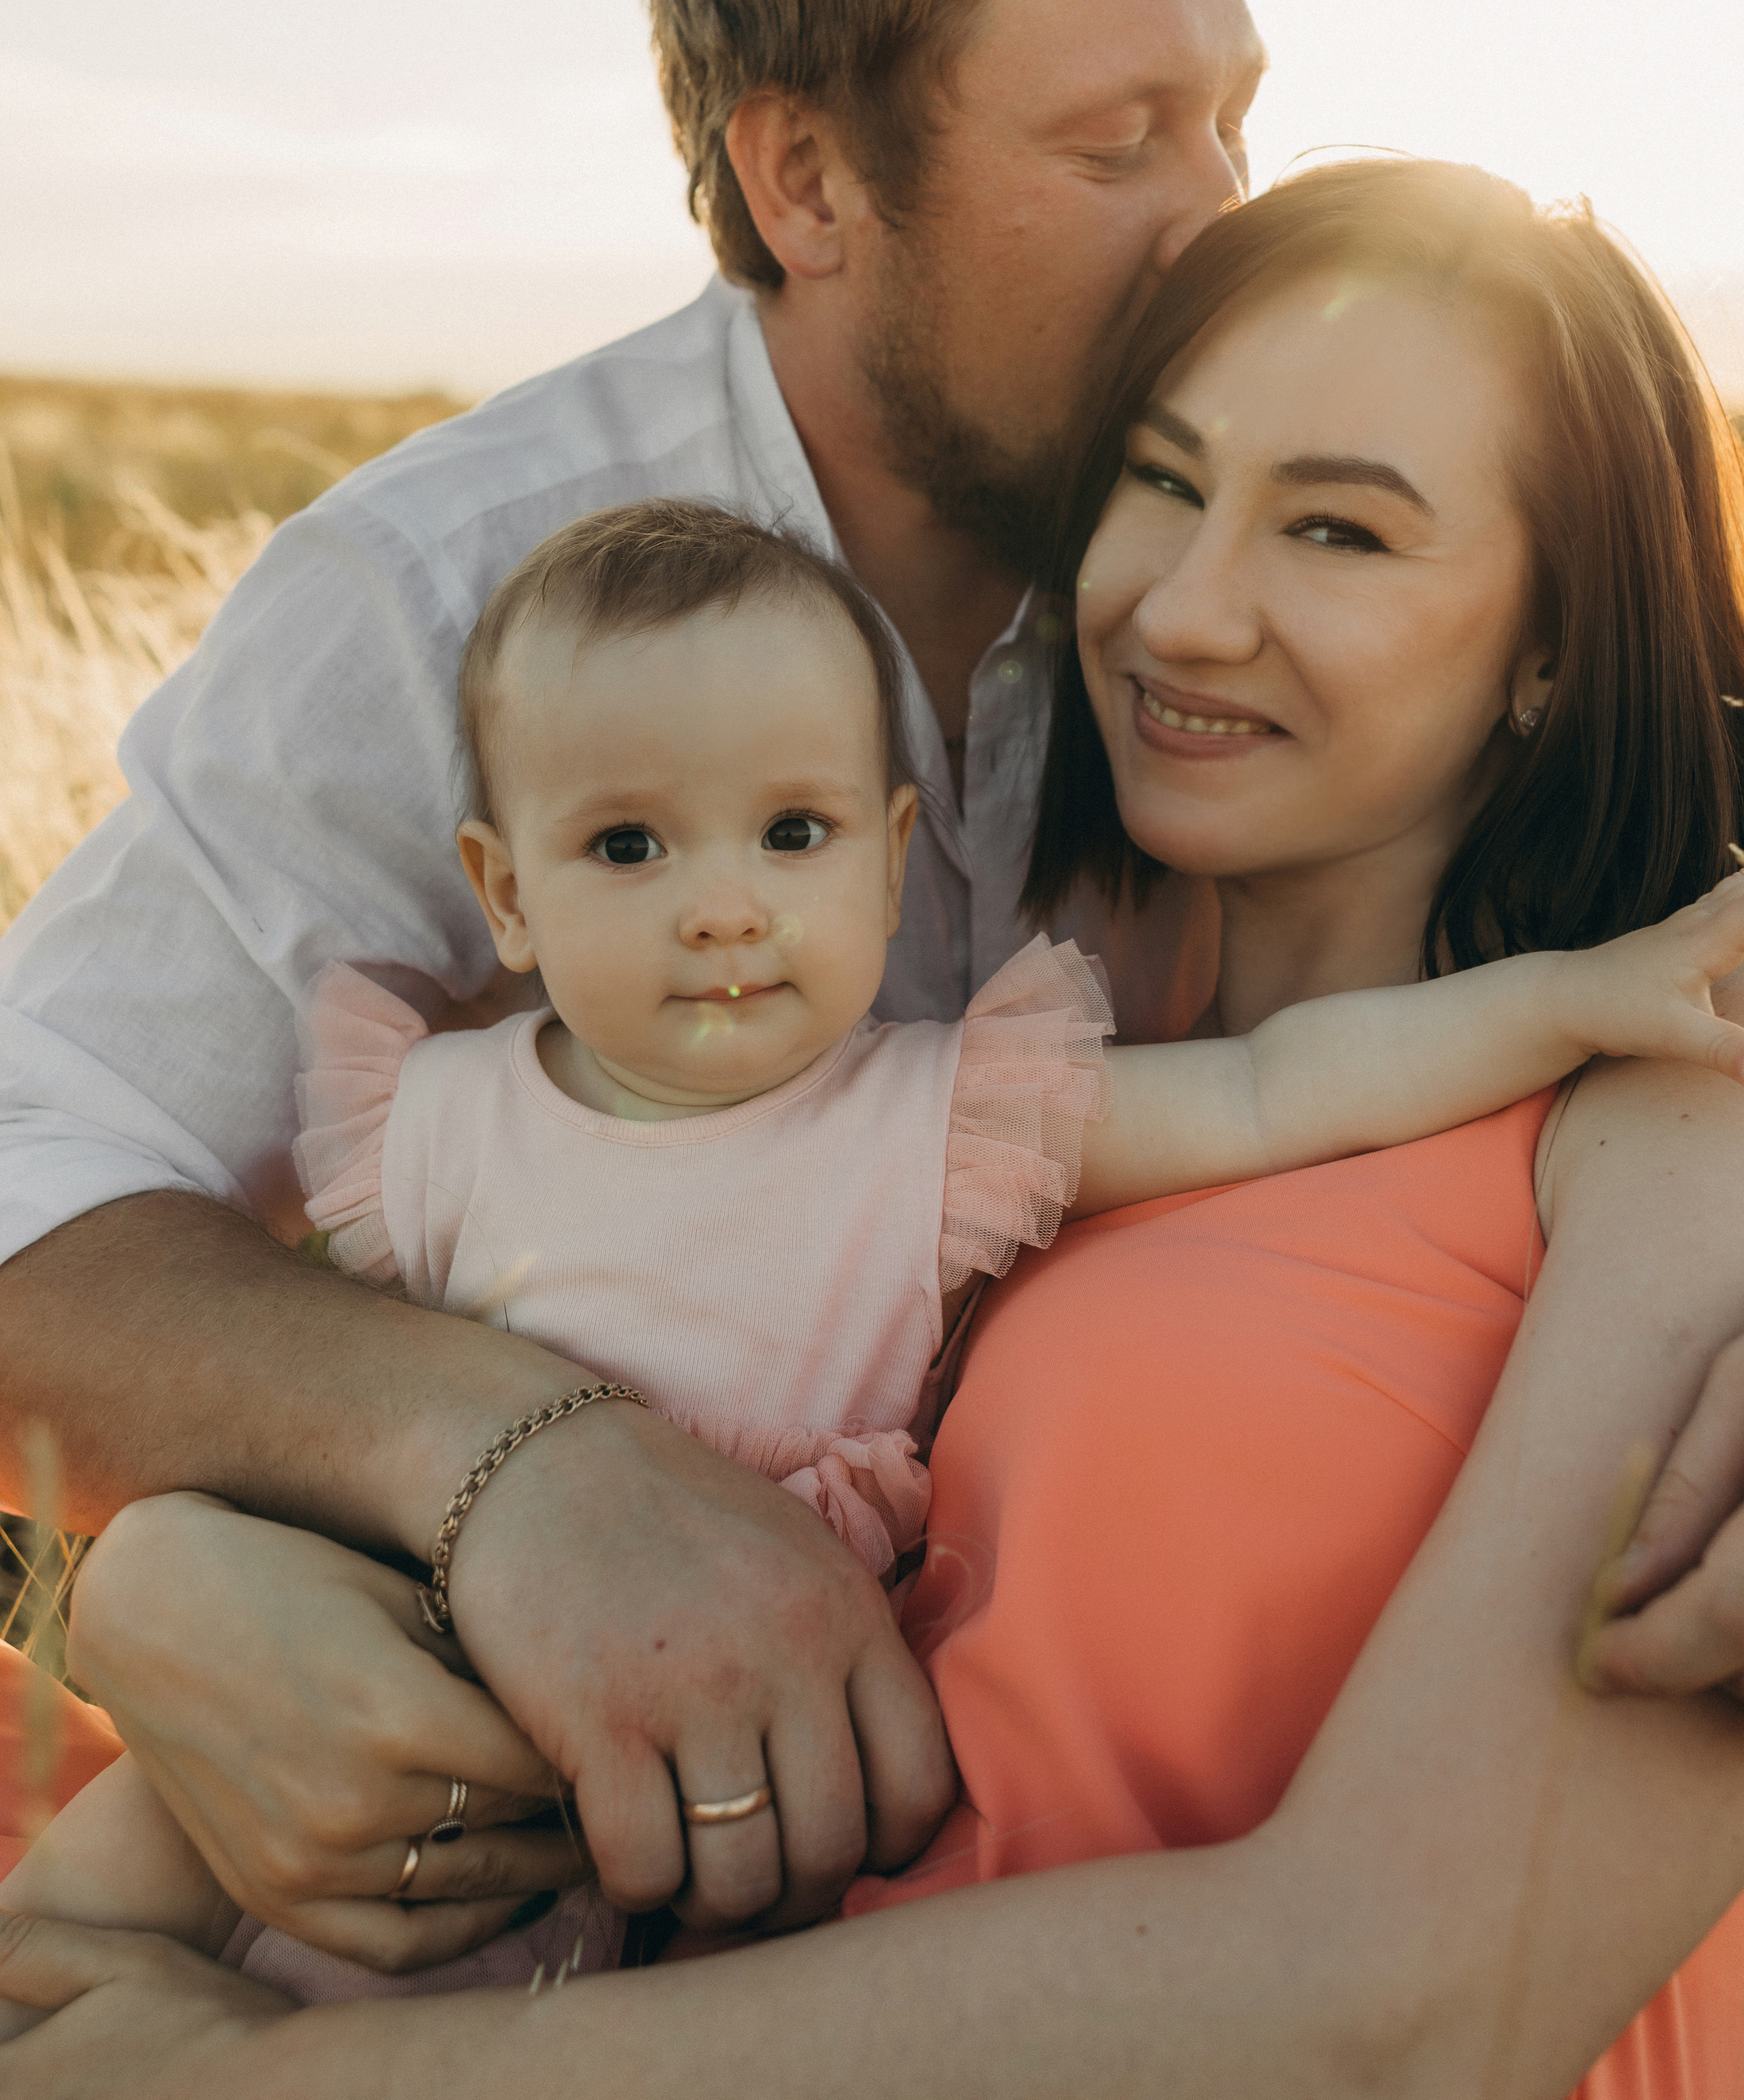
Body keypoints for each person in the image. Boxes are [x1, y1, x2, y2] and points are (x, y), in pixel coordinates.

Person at [12, 159, 1744, 2098]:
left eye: (1340, 532)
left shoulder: (1666, 1128)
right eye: (1162, 482)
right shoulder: (1000, 1011)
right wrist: (176, 1570)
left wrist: (241, 2082)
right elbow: (626, 1318)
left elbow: (1410, 2000)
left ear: (1555, 647)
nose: (1182, 607)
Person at [0, 0, 1267, 1960]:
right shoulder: (448, 592)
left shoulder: (1262, 551)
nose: (1221, 227)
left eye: (1236, 121)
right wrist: (512, 1460)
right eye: (1122, 141)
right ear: (806, 184)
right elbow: (30, 1187)